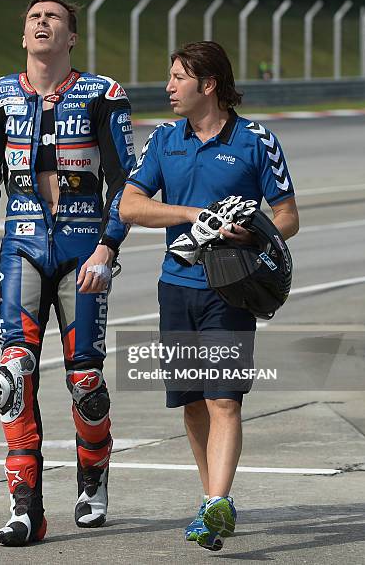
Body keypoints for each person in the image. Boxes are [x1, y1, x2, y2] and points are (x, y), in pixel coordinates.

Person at [0, 0, 135, 546]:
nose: (42, 24)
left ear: (71, 37)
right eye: (34, 18)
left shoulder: (103, 94)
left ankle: (93, 478)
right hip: (20, 248)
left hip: (84, 248)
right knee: (12, 377)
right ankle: (25, 507)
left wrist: (108, 250)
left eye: (53, 19)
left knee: (85, 381)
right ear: (23, 35)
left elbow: (126, 184)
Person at [119, 41, 299, 551]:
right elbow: (130, 206)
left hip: (230, 289)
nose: (169, 87)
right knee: (192, 404)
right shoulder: (164, 139)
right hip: (175, 286)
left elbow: (288, 215)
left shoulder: (256, 140)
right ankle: (211, 501)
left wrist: (254, 231)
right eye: (171, 76)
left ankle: (219, 499)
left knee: (224, 399)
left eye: (178, 77)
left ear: (209, 85)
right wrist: (193, 215)